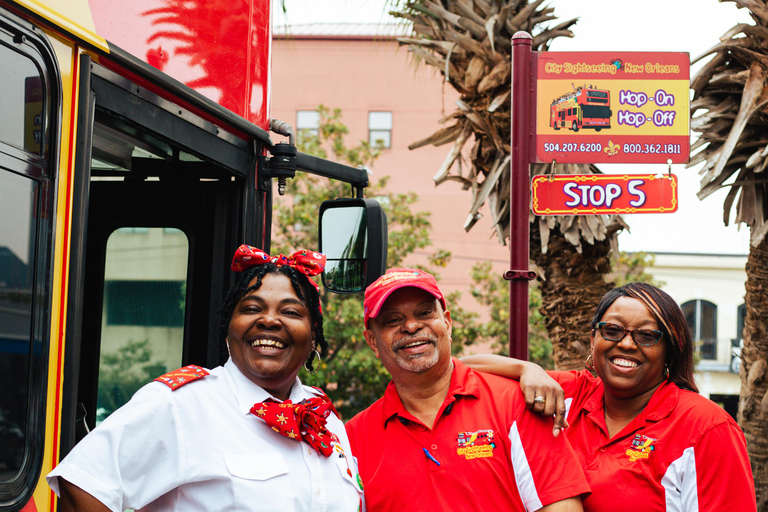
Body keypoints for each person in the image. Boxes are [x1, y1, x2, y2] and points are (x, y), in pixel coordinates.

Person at [47, 245, 365, 512]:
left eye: (292, 312)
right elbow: (84, 482)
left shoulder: (324, 417)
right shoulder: (182, 404)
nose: (269, 319)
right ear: (230, 328)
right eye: (252, 308)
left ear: (313, 337)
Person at [463, 282, 757, 512]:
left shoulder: (706, 427)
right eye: (613, 330)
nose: (627, 344)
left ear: (670, 348)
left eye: (646, 336)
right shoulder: (570, 394)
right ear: (593, 339)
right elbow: (457, 373)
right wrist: (525, 368)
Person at [345, 268, 590, 512]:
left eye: (424, 313)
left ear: (447, 324)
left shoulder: (516, 404)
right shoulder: (353, 438)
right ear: (373, 341)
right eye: (392, 320)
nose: (411, 326)